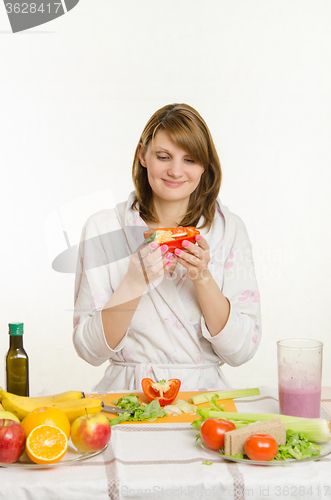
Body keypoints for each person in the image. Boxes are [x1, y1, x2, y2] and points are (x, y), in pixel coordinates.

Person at [73, 103, 261, 392]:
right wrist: (133, 283)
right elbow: (89, 350)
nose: (175, 171)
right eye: (164, 156)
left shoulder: (230, 230)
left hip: (205, 400)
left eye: (190, 159)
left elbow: (241, 351)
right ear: (143, 154)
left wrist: (203, 277)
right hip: (127, 396)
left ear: (204, 166)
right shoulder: (103, 228)